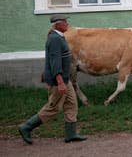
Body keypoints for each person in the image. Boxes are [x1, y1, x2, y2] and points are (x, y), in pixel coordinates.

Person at [18, 14, 86, 144]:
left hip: (65, 80)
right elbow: (55, 62)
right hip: (58, 81)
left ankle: (71, 134)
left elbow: (53, 59)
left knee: (72, 104)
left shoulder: (59, 37)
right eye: (65, 22)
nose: (67, 23)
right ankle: (26, 127)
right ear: (57, 25)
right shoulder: (55, 39)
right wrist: (60, 82)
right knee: (53, 107)